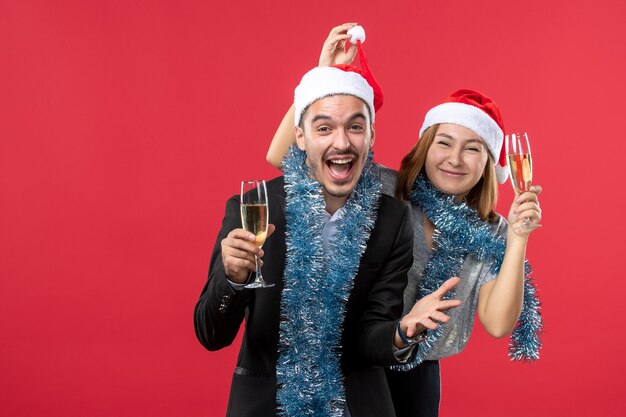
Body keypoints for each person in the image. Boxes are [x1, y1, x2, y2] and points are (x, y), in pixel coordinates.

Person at [266, 24, 543, 417]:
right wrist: (321, 79)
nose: (454, 159)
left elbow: (498, 324)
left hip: (418, 378)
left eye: (472, 149)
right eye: (444, 143)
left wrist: (517, 238)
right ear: (425, 148)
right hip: (355, 362)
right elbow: (288, 160)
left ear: (487, 164)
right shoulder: (386, 188)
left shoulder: (489, 230)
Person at [194, 59, 461, 417]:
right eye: (324, 128)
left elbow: (367, 337)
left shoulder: (392, 219)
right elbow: (211, 335)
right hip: (265, 403)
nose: (342, 142)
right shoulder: (253, 209)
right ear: (300, 137)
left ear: (371, 135)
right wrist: (232, 280)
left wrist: (401, 331)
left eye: (355, 126)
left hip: (357, 404)